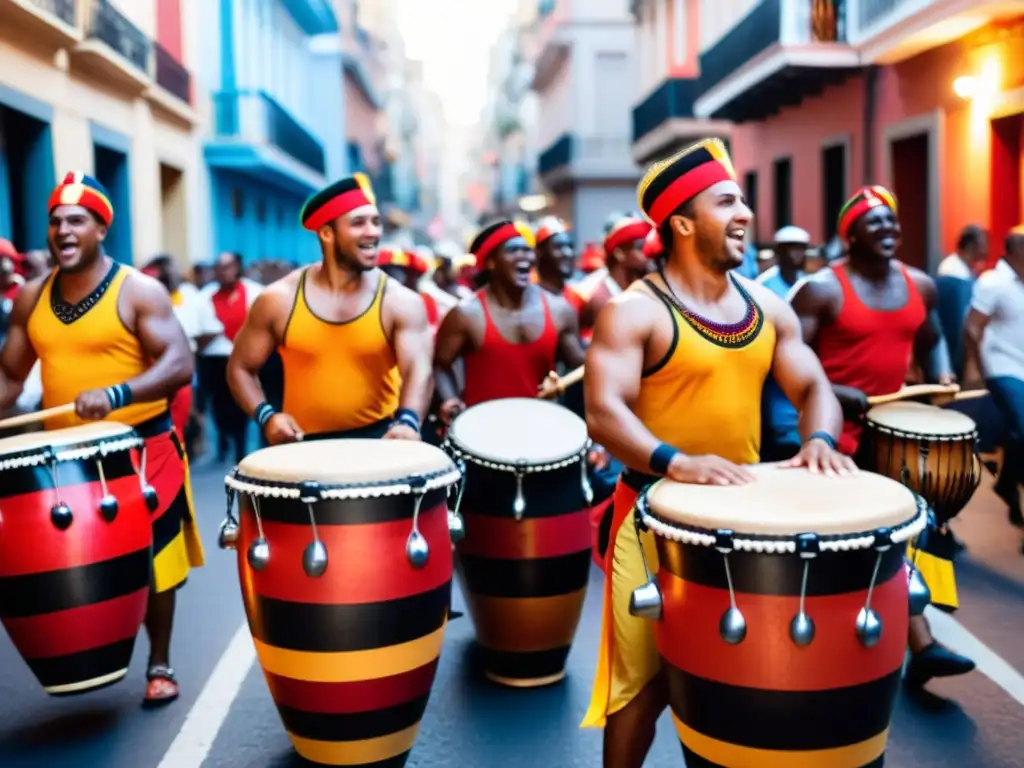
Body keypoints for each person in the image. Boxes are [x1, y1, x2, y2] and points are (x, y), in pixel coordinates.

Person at [579, 140, 852, 767]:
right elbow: (604, 414)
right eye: (726, 201)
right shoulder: (632, 312)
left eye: (742, 200)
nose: (746, 214)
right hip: (648, 522)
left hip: (745, 527)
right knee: (643, 692)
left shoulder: (768, 308)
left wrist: (818, 439)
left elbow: (814, 388)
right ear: (680, 222)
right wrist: (677, 462)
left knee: (745, 683)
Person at [0, 172, 203, 705]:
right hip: (62, 456)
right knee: (66, 558)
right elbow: (11, 377)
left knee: (155, 563)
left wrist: (116, 394)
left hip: (141, 448)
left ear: (100, 228)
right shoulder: (30, 297)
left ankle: (159, 661)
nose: (63, 230)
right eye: (56, 221)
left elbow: (180, 362)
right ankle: (81, 651)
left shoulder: (138, 289)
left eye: (77, 220)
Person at [789, 184, 975, 687]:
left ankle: (923, 644)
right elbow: (785, 365)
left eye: (893, 222)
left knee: (914, 531)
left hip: (895, 430)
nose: (889, 230)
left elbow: (933, 341)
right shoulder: (821, 290)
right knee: (850, 543)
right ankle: (843, 645)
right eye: (876, 223)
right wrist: (831, 388)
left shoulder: (921, 285)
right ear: (850, 236)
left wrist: (943, 380)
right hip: (833, 433)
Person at [226, 174, 432, 443]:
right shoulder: (279, 299)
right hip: (302, 443)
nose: (373, 232)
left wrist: (409, 420)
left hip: (381, 440)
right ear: (326, 233)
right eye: (358, 223)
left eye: (375, 221)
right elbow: (239, 367)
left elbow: (419, 368)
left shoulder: (399, 301)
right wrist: (267, 416)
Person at [433, 219, 586, 421]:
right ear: (491, 262)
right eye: (513, 250)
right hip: (482, 430)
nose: (524, 257)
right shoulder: (465, 314)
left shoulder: (560, 310)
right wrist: (450, 400)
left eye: (527, 250)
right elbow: (440, 365)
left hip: (543, 428)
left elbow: (579, 364)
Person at [964, 226, 1024, 531]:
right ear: (1016, 251)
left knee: (1018, 432)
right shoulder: (993, 282)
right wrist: (978, 370)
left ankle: (1007, 481)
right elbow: (972, 326)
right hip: (1002, 368)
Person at [197, 252, 261, 463]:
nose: (224, 272)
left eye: (229, 266)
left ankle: (240, 444)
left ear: (238, 267)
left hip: (243, 355)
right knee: (219, 404)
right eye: (220, 267)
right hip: (215, 359)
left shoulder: (253, 291)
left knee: (240, 401)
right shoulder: (206, 295)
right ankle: (224, 438)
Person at [578, 215, 654, 339]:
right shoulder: (603, 301)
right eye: (640, 247)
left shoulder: (639, 288)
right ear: (619, 253)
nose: (647, 253)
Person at [937, 225, 988, 378]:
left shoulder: (967, 271)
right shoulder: (952, 272)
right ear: (972, 245)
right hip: (955, 353)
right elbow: (959, 321)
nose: (986, 248)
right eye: (983, 243)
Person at [534, 216, 582, 308]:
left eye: (570, 246)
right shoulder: (530, 299)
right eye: (558, 247)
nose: (568, 253)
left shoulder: (577, 299)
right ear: (540, 252)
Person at [757, 225, 809, 297]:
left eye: (802, 249)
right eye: (794, 249)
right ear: (780, 251)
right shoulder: (764, 282)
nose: (798, 254)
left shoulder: (805, 280)